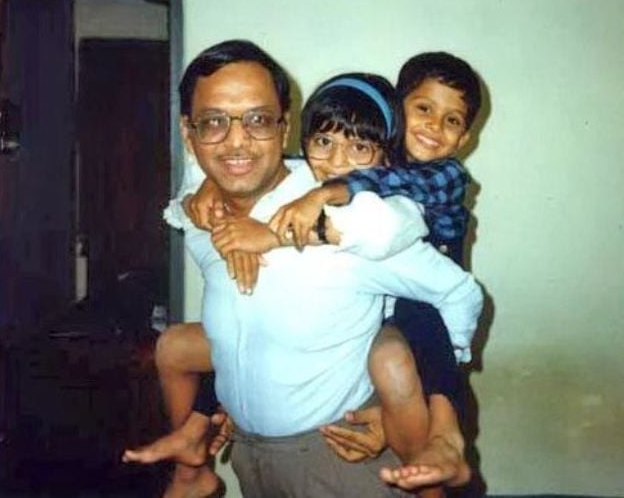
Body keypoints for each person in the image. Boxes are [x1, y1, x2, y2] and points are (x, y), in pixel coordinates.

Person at [129, 40, 482, 497]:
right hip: (253, 459)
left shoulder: (370, 210)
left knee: (397, 357)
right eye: (214, 121)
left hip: (335, 458)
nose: (236, 140)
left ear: (283, 126)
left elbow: (389, 229)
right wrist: (203, 198)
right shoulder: (218, 202)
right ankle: (191, 456)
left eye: (257, 119)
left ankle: (442, 443)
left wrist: (269, 235)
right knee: (186, 342)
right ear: (188, 132)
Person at [268, 52, 483, 492]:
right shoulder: (370, 152)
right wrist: (209, 191)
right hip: (380, 299)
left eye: (452, 120)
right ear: (398, 108)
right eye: (424, 108)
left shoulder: (446, 174)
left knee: (410, 346)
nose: (434, 126)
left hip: (429, 294)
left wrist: (324, 194)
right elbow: (294, 164)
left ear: (463, 137)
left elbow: (388, 184)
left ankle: (445, 437)